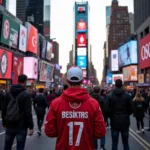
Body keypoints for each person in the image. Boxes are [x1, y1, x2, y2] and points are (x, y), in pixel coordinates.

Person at [45, 66, 106, 150]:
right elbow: (101, 132)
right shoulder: (93, 104)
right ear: (82, 81)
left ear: (67, 81)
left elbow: (49, 132)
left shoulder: (56, 103)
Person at [2, 74, 34, 150]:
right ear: (25, 81)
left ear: (18, 80)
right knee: (20, 147)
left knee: (7, 146)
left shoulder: (9, 93)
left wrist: (4, 122)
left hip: (9, 124)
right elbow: (28, 112)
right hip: (21, 126)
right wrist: (31, 126)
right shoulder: (26, 94)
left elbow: (4, 109)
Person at [104, 79, 134, 150]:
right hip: (125, 121)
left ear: (115, 85)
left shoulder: (109, 96)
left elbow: (106, 110)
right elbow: (132, 109)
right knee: (125, 142)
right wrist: (126, 114)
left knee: (114, 142)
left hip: (114, 122)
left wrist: (110, 116)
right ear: (122, 85)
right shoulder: (128, 96)